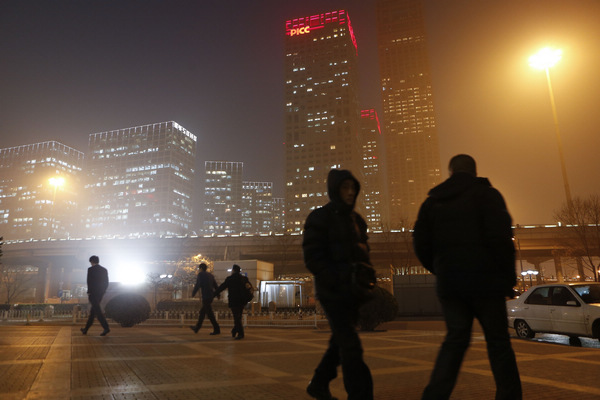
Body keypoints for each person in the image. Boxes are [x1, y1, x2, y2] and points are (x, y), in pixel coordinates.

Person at [413, 154, 522, 400]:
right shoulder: (489, 196)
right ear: (474, 171)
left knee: (455, 342)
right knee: (498, 345)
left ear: (451, 172)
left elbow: (420, 243)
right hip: (488, 284)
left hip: (452, 285)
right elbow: (502, 241)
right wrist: (507, 279)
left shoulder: (433, 202)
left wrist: (440, 269)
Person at [302, 169, 374, 400]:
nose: (350, 192)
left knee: (340, 342)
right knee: (352, 347)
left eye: (353, 187)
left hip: (353, 293)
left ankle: (319, 383)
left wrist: (365, 281)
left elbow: (364, 255)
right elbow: (313, 258)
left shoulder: (357, 221)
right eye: (345, 187)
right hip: (332, 293)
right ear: (335, 189)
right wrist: (334, 279)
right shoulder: (319, 218)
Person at [213, 264, 252, 340]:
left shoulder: (230, 279)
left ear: (233, 270)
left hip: (234, 301)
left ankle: (240, 333)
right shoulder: (244, 279)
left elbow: (222, 287)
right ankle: (234, 330)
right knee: (238, 317)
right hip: (242, 301)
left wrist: (215, 294)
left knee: (236, 317)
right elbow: (249, 288)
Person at [81, 255, 110, 336]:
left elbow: (89, 281)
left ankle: (106, 327)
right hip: (100, 294)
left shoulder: (90, 269)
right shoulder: (104, 270)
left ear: (91, 261)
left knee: (97, 311)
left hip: (93, 294)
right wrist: (102, 291)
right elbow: (106, 282)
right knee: (93, 312)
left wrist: (89, 292)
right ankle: (85, 329)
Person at [190, 263, 221, 335]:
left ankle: (217, 329)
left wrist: (193, 293)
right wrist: (218, 294)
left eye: (199, 269)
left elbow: (198, 284)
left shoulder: (200, 275)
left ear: (200, 268)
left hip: (206, 296)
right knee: (202, 312)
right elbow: (215, 285)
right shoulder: (211, 275)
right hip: (211, 296)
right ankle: (197, 328)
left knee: (210, 314)